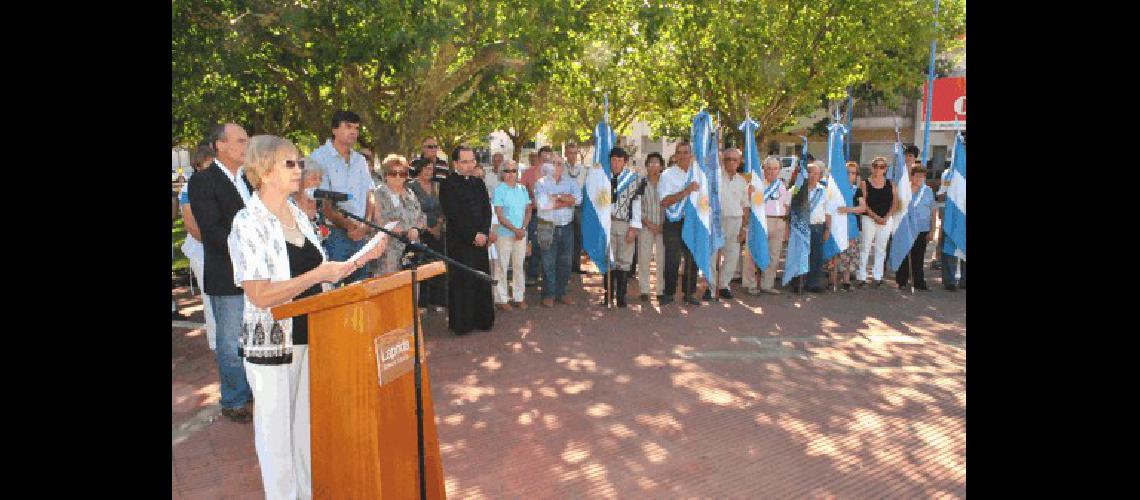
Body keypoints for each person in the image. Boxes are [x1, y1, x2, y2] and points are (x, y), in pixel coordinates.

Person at [229, 135, 384, 500]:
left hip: (310, 334)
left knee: (303, 432)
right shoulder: (248, 221)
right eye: (290, 164)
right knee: (276, 439)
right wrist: (317, 275)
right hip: (272, 345)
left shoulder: (297, 213)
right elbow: (260, 294)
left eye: (299, 162)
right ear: (264, 172)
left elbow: (324, 272)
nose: (299, 169)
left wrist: (363, 257)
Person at [187, 122, 255, 423]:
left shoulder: (249, 180)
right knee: (230, 342)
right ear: (220, 145)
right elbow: (213, 232)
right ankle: (234, 400)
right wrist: (254, 241)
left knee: (254, 336)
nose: (246, 146)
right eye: (240, 141)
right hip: (227, 274)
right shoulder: (203, 181)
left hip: (257, 274)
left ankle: (253, 389)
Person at [310, 110, 376, 285]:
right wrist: (349, 226)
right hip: (334, 235)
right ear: (334, 129)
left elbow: (370, 195)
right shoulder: (319, 157)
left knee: (360, 291)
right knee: (334, 291)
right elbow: (324, 203)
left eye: (356, 128)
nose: (353, 132)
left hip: (360, 235)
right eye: (348, 127)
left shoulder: (360, 160)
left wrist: (365, 225)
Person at [439, 145, 495, 334]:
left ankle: (483, 319)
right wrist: (473, 235)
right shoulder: (447, 184)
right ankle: (463, 323)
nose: (470, 165)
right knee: (462, 281)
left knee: (481, 279)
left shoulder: (478, 183)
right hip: (460, 243)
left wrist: (484, 233)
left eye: (472, 161)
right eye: (465, 161)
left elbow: (487, 210)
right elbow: (453, 215)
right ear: (455, 163)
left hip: (480, 242)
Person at [179, 145, 218, 347]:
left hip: (217, 249)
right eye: (209, 165)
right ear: (198, 166)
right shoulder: (189, 189)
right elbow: (191, 225)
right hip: (203, 251)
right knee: (210, 296)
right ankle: (215, 343)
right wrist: (216, 243)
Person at [534, 153, 582, 307]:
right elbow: (544, 205)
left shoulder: (571, 182)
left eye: (560, 163)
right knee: (548, 262)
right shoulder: (540, 183)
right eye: (554, 163)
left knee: (566, 262)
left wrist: (556, 197)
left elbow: (579, 199)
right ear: (548, 166)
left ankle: (561, 293)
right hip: (546, 226)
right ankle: (549, 294)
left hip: (567, 226)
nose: (557, 166)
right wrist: (567, 200)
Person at [658, 142, 702, 306]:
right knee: (672, 259)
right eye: (679, 152)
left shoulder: (698, 174)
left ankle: (689, 293)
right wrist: (686, 191)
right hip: (674, 221)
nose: (683, 155)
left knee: (692, 258)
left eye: (686, 152)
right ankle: (668, 293)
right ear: (675, 156)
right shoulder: (667, 175)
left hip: (693, 221)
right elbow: (664, 201)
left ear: (691, 155)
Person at [369, 154, 426, 276]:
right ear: (385, 175)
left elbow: (421, 216)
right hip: (388, 255)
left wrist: (416, 229)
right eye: (393, 173)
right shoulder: (379, 194)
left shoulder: (410, 193)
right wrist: (406, 231)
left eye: (403, 173)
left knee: (412, 289)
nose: (398, 177)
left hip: (412, 253)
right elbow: (380, 222)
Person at [603, 147, 644, 307]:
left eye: (620, 160)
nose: (616, 163)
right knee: (608, 260)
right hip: (607, 223)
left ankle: (621, 296)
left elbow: (637, 204)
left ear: (625, 162)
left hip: (624, 223)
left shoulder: (633, 180)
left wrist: (634, 227)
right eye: (613, 159)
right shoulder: (604, 179)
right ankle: (608, 295)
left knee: (624, 261)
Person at [747, 156, 791, 296]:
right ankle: (751, 284)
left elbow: (786, 205)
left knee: (774, 255)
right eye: (769, 168)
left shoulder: (782, 185)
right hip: (762, 222)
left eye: (775, 168)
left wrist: (786, 226)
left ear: (779, 170)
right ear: (763, 169)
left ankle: (767, 284)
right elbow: (753, 204)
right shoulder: (758, 184)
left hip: (778, 222)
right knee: (754, 253)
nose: (772, 171)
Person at [407, 161, 448, 311]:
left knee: (438, 264)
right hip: (421, 232)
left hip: (438, 231)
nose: (429, 171)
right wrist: (428, 228)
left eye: (431, 169)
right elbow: (413, 210)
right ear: (419, 169)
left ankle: (438, 301)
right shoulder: (411, 187)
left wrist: (439, 224)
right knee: (421, 265)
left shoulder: (437, 186)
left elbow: (444, 207)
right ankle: (422, 303)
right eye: (426, 168)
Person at [491, 160, 531, 310]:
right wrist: (516, 230)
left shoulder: (522, 189)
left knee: (519, 266)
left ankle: (518, 297)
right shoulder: (499, 190)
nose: (511, 174)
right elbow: (499, 215)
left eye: (513, 170)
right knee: (501, 266)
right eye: (507, 171)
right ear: (502, 173)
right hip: (504, 234)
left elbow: (528, 210)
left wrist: (523, 229)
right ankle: (501, 299)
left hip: (520, 234)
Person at [789, 162, 834, 293]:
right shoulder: (797, 190)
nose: (813, 176)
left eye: (816, 173)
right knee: (799, 254)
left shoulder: (824, 192)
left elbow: (828, 213)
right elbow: (789, 207)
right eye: (810, 173)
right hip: (800, 226)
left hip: (817, 227)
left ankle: (813, 283)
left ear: (820, 176)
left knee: (816, 256)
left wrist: (827, 229)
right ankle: (797, 281)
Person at [710, 148, 749, 300]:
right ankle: (711, 287)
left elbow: (745, 206)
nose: (731, 162)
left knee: (732, 255)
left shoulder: (742, 181)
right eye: (728, 159)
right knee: (712, 255)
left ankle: (724, 285)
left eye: (735, 160)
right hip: (717, 220)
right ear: (723, 161)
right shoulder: (716, 178)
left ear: (739, 162)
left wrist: (744, 227)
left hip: (735, 221)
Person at [856, 157, 899, 288]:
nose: (878, 169)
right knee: (865, 247)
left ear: (885, 169)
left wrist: (886, 217)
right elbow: (863, 203)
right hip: (869, 218)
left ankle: (878, 276)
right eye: (875, 166)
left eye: (882, 167)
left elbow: (895, 202)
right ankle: (861, 276)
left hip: (886, 219)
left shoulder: (891, 184)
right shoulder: (864, 183)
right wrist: (875, 217)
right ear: (871, 167)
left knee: (881, 249)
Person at [896, 165, 936, 290]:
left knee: (918, 257)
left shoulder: (928, 191)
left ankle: (918, 282)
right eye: (917, 176)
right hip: (906, 228)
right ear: (912, 176)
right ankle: (901, 281)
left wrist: (933, 229)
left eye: (922, 176)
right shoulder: (904, 189)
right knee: (904, 255)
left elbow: (933, 211)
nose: (920, 178)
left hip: (922, 229)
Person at [832, 161, 866, 291]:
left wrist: (848, 210)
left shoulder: (857, 191)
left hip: (852, 227)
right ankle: (832, 279)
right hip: (837, 226)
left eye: (853, 173)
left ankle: (846, 280)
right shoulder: (836, 190)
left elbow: (862, 207)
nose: (850, 175)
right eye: (848, 173)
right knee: (837, 253)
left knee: (850, 253)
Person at [637, 152, 666, 302]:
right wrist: (649, 224)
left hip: (663, 227)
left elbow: (670, 206)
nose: (654, 166)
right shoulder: (641, 183)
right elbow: (636, 207)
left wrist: (662, 225)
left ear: (661, 166)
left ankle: (660, 290)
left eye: (657, 163)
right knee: (644, 258)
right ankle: (644, 290)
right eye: (651, 163)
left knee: (662, 259)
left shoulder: (666, 183)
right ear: (646, 166)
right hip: (646, 226)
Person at [563, 142, 589, 274]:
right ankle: (565, 266)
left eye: (575, 153)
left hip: (579, 207)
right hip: (564, 207)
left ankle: (576, 266)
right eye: (570, 153)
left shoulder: (583, 170)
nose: (572, 156)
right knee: (565, 237)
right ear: (565, 154)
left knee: (578, 237)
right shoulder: (561, 168)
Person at [520, 150, 545, 285]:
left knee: (548, 244)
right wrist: (531, 200)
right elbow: (521, 191)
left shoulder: (553, 172)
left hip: (551, 214)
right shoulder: (528, 173)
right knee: (535, 243)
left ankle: (547, 275)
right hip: (534, 213)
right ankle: (533, 274)